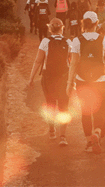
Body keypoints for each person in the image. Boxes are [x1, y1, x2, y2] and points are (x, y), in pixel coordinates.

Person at [66, 11, 105, 154]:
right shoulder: (104, 40)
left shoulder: (77, 40)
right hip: (100, 80)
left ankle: (89, 141)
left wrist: (69, 83)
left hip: (82, 80)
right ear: (97, 23)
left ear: (83, 23)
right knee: (100, 109)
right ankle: (97, 133)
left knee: (85, 112)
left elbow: (73, 63)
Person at [28, 18, 71, 146]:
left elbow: (38, 61)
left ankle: (52, 130)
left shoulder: (45, 42)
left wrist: (31, 78)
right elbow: (73, 62)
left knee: (50, 104)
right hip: (64, 78)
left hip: (48, 78)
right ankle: (62, 136)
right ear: (62, 28)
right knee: (64, 106)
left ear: (50, 28)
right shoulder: (68, 42)